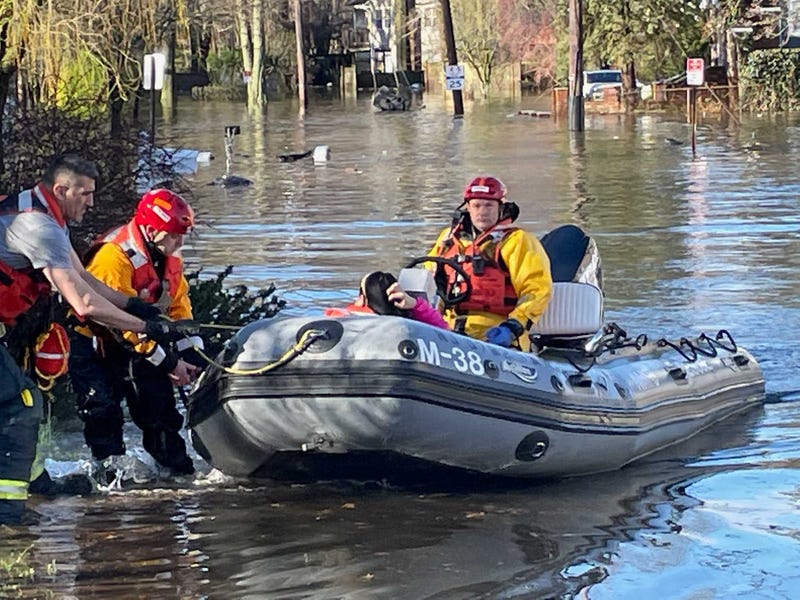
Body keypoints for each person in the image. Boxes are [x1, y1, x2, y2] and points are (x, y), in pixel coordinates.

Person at [0, 154, 179, 525]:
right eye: (85, 194)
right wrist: (145, 329)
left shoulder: (50, 218)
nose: (91, 202)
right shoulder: (37, 226)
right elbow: (81, 303)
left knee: (24, 395)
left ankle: (36, 483)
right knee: (21, 405)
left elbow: (85, 280)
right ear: (62, 189)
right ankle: (8, 513)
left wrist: (136, 306)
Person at [68, 188, 204, 479]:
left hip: (142, 337)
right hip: (97, 344)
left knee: (160, 411)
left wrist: (192, 355)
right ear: (153, 230)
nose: (179, 243)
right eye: (175, 236)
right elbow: (118, 325)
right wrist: (169, 363)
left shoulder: (168, 254)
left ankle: (178, 474)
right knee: (102, 410)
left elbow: (179, 306)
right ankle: (108, 480)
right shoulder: (112, 256)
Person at [427, 175, 553, 350]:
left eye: (489, 205)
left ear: (501, 207)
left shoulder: (517, 241)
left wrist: (513, 327)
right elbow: (429, 282)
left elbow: (536, 290)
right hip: (448, 331)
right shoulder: (448, 239)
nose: (482, 212)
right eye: (476, 205)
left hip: (496, 334)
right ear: (468, 207)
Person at [325, 271, 448, 329]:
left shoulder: (342, 319)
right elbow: (444, 330)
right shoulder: (411, 326)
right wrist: (415, 304)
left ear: (361, 300)